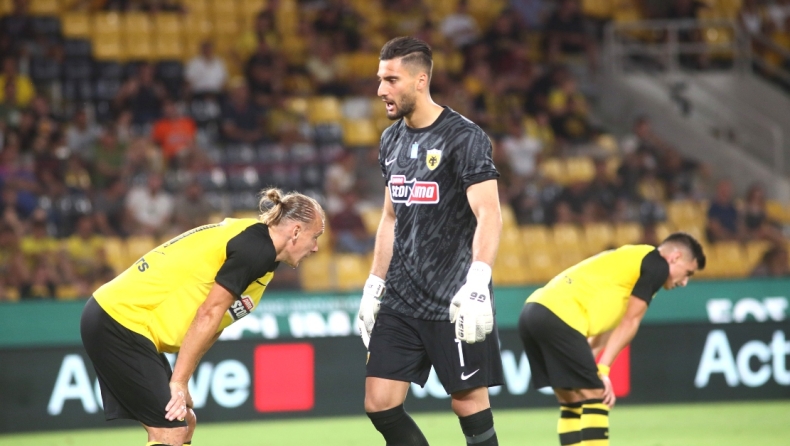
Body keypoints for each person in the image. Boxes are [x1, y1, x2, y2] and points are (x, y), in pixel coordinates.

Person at [80, 188, 324, 446]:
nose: (317, 247)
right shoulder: (255, 250)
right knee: (171, 431)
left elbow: (216, 324)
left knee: (185, 423)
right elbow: (208, 313)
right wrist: (178, 381)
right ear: (296, 231)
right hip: (119, 321)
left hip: (126, 324)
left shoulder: (263, 257)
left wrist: (182, 380)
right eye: (315, 237)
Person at [357, 36, 504, 446]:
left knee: (467, 404)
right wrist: (375, 284)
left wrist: (478, 281)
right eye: (380, 79)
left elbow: (489, 214)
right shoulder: (390, 140)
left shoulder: (464, 137)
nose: (381, 89)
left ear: (420, 80)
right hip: (401, 298)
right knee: (379, 403)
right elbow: (390, 218)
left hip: (453, 297)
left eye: (391, 80)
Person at [518, 232, 706, 446]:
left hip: (532, 312)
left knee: (572, 400)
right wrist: (603, 371)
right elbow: (630, 322)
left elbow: (611, 324)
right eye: (688, 272)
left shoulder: (633, 266)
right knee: (597, 395)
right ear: (675, 257)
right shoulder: (657, 265)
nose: (685, 282)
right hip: (559, 316)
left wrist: (594, 366)